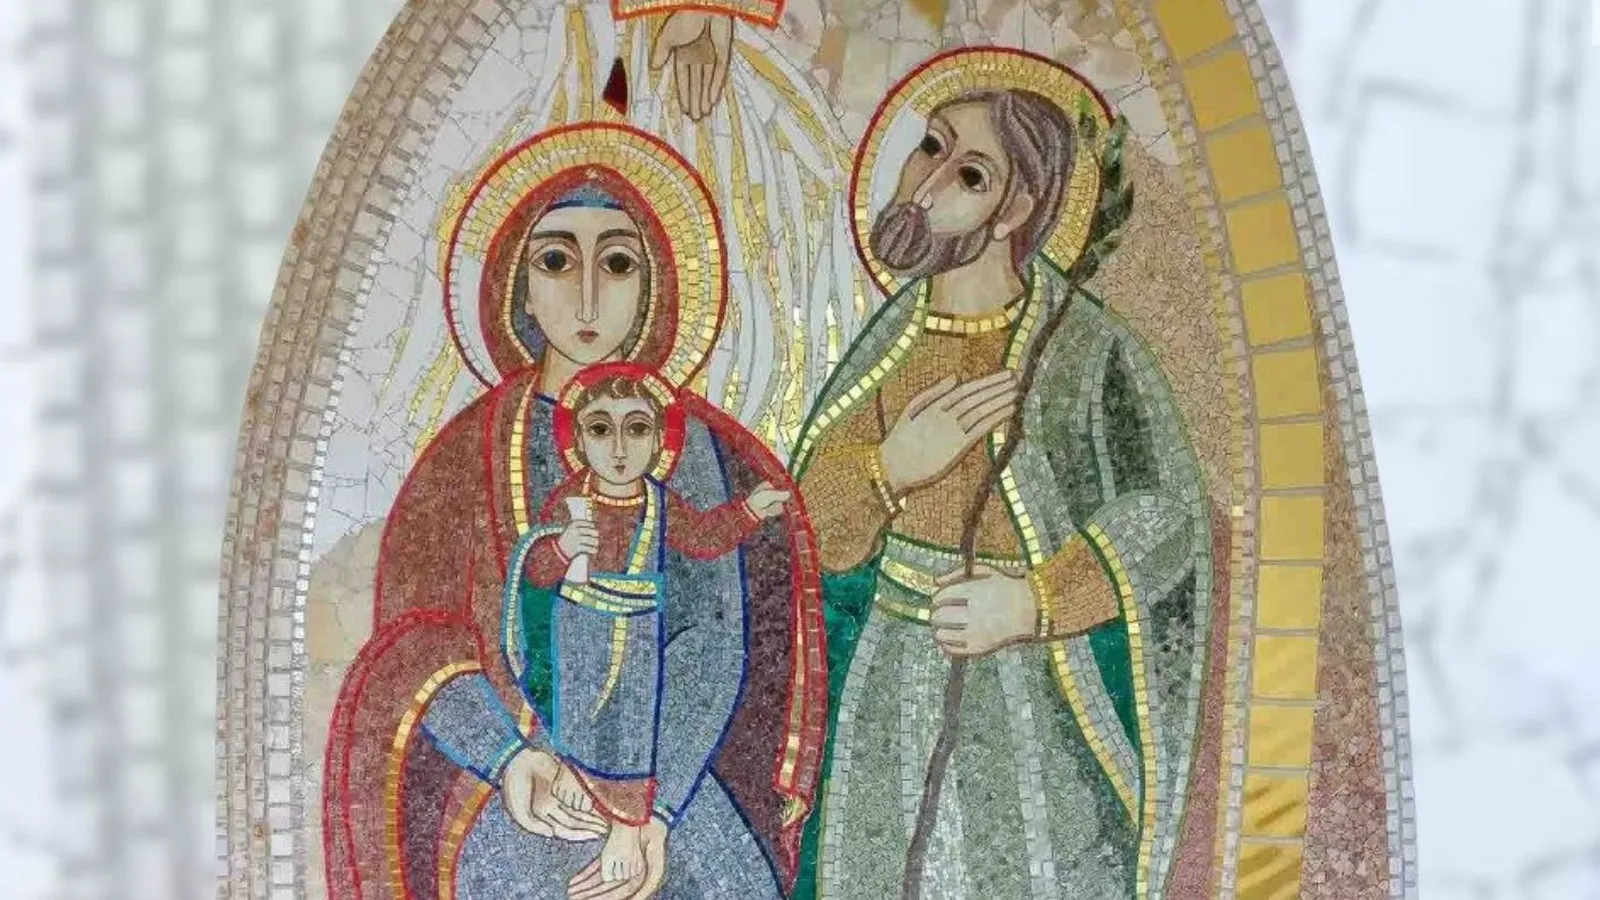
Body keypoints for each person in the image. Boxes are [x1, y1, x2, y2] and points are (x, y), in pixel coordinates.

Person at [323, 125, 827, 900]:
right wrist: (507, 755)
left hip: (665, 786)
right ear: (517, 287)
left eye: (618, 264)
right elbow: (421, 642)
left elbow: (711, 637)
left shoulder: (685, 444)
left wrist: (652, 814)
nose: (587, 297)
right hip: (526, 780)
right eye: (556, 261)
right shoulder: (469, 451)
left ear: (653, 287)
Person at [791, 53, 1219, 899]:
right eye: (930, 147)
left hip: (1030, 684)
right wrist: (889, 470)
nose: (927, 185)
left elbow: (1166, 511)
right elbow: (809, 528)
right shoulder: (892, 345)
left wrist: (1035, 602)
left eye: (970, 174)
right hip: (890, 674)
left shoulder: (1082, 348)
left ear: (1016, 209)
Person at [518, 367, 792, 886]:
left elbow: (704, 538)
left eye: (637, 429)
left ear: (660, 440)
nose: (620, 448)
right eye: (601, 429)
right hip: (580, 620)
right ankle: (575, 771)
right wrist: (561, 547)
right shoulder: (572, 499)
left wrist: (750, 511)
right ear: (579, 440)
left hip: (640, 624)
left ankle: (628, 817)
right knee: (578, 703)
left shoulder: (660, 504)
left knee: (634, 718)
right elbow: (536, 570)